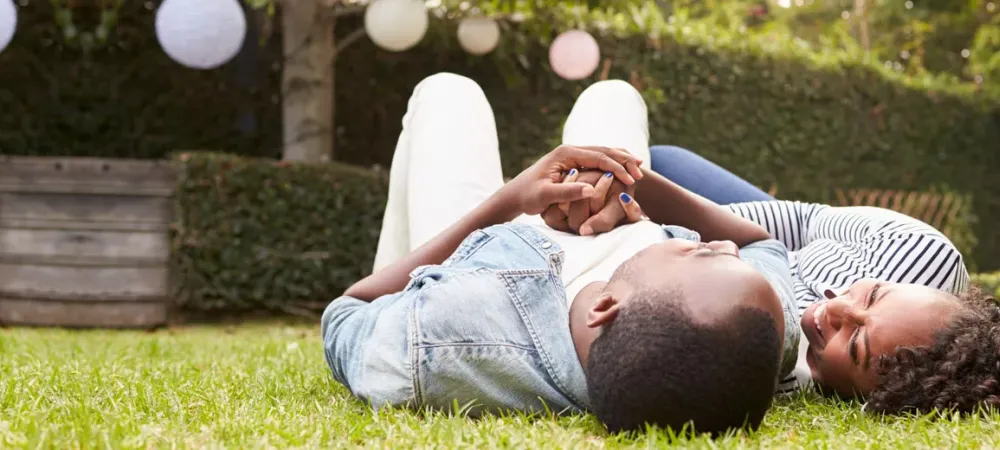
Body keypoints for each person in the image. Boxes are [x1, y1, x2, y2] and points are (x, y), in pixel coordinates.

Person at [321, 73, 801, 434]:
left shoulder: (442, 337)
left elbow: (347, 312)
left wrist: (510, 201)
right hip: (621, 207)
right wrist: (630, 180)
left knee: (447, 91)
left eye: (699, 255)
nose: (719, 246)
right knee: (613, 94)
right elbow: (760, 243)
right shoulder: (757, 332)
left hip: (474, 245)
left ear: (604, 307)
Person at [552, 143, 1000, 414]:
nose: (835, 306)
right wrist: (636, 199)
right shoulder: (919, 253)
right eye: (873, 293)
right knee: (665, 160)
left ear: (872, 398)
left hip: (688, 259)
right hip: (768, 236)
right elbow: (803, 220)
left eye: (855, 341)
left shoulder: (758, 366)